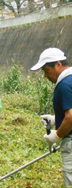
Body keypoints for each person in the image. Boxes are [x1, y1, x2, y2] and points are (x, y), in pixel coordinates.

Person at [30, 47, 72, 187]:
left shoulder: (65, 84)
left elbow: (71, 117)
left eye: (47, 71)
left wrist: (57, 135)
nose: (45, 76)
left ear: (59, 64)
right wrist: (57, 119)